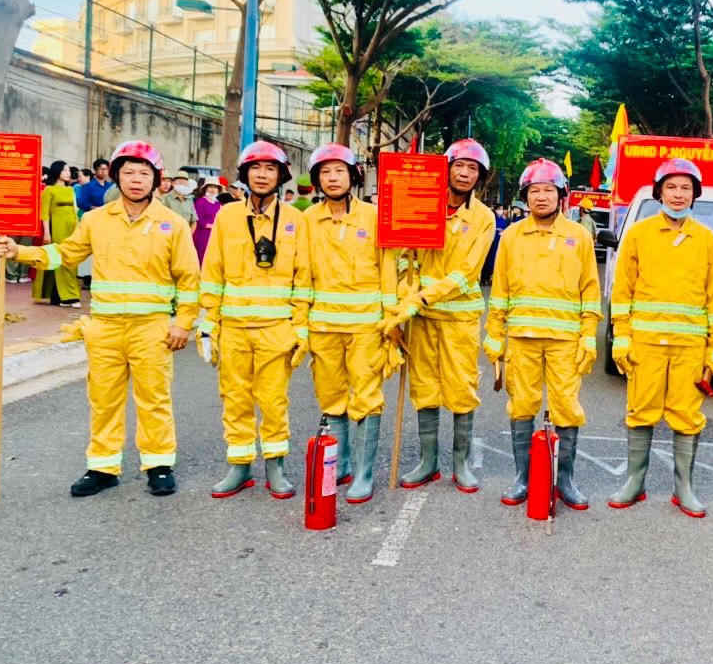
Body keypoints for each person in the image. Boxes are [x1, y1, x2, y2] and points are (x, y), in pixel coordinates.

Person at [0, 141, 198, 497]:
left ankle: (159, 465)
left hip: (152, 329)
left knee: (154, 399)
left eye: (144, 173)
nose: (136, 180)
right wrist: (19, 251)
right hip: (105, 327)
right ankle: (103, 467)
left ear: (155, 179)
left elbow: (189, 278)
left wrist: (183, 322)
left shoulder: (173, 224)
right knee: (104, 400)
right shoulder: (95, 220)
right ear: (117, 176)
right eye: (129, 172)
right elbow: (65, 254)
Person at [608, 158, 713, 518]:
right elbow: (623, 290)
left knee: (687, 416)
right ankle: (634, 482)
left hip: (689, 348)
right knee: (640, 412)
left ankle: (683, 488)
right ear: (659, 191)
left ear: (695, 194)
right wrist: (621, 336)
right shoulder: (639, 234)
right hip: (645, 344)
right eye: (671, 187)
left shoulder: (707, 240)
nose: (678, 194)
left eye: (685, 188)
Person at [378, 138, 496, 493]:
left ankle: (460, 463)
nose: (464, 173)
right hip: (421, 319)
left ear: (480, 176)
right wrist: (405, 292)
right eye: (459, 165)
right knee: (424, 387)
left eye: (472, 168)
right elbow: (403, 257)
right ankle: (427, 462)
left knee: (462, 388)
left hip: (459, 318)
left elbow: (467, 273)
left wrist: (421, 298)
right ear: (447, 169)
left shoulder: (483, 218)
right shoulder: (421, 204)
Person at [484, 158, 600, 510]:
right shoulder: (512, 236)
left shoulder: (579, 236)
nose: (541, 197)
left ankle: (565, 480)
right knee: (521, 405)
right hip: (522, 338)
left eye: (548, 190)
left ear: (561, 194)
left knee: (566, 408)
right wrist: (494, 334)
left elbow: (590, 290)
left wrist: (588, 335)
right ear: (525, 196)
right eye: (534, 191)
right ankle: (523, 477)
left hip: (565, 341)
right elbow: (500, 290)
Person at [199, 141, 311, 500]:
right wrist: (208, 323)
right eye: (255, 168)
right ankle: (240, 465)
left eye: (270, 169)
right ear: (245, 174)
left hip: (276, 330)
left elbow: (303, 277)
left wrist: (300, 328)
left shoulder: (295, 220)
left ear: (281, 176)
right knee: (235, 399)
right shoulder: (227, 216)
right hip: (233, 329)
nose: (262, 175)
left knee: (274, 400)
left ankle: (275, 466)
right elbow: (212, 271)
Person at [304, 143, 400, 504]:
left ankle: (363, 473)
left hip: (366, 327)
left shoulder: (374, 216)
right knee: (331, 396)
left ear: (353, 176)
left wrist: (391, 318)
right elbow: (301, 273)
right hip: (323, 326)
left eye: (339, 171)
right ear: (317, 179)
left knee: (367, 397)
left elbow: (388, 268)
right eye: (325, 172)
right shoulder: (307, 220)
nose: (332, 178)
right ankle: (340, 464)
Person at [32, 161, 82, 308]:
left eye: (68, 170)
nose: (68, 173)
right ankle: (68, 296)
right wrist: (47, 233)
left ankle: (60, 296)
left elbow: (75, 210)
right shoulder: (49, 190)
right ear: (57, 172)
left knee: (71, 258)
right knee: (60, 258)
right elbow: (44, 214)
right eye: (64, 170)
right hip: (56, 227)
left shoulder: (70, 190)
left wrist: (78, 227)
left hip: (71, 227)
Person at [192, 177, 224, 262]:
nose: (213, 189)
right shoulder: (200, 202)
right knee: (202, 260)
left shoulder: (218, 204)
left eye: (215, 187)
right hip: (202, 236)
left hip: (214, 235)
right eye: (210, 186)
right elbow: (200, 222)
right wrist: (215, 226)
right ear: (205, 188)